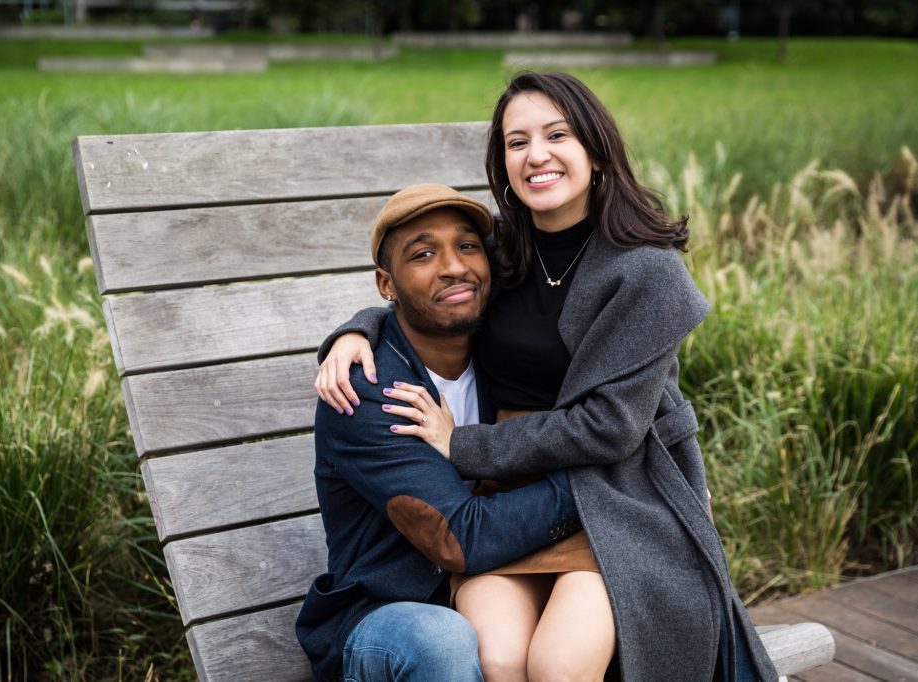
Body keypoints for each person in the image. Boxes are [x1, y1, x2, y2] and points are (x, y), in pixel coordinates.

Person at [315, 72, 778, 681]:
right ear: (502, 161)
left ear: (594, 147)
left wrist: (463, 444)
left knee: (557, 664)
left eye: (557, 134)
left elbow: (613, 427)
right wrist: (358, 330)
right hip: (505, 499)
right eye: (516, 141)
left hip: (615, 492)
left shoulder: (647, 274)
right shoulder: (503, 253)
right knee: (499, 657)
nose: (536, 155)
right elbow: (437, 294)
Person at [296, 183, 587, 682]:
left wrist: (357, 324)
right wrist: (601, 486)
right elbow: (460, 538)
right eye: (424, 254)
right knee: (445, 641)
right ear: (386, 284)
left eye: (468, 246)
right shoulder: (366, 389)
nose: (454, 267)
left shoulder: (502, 348)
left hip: (500, 581)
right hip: (392, 611)